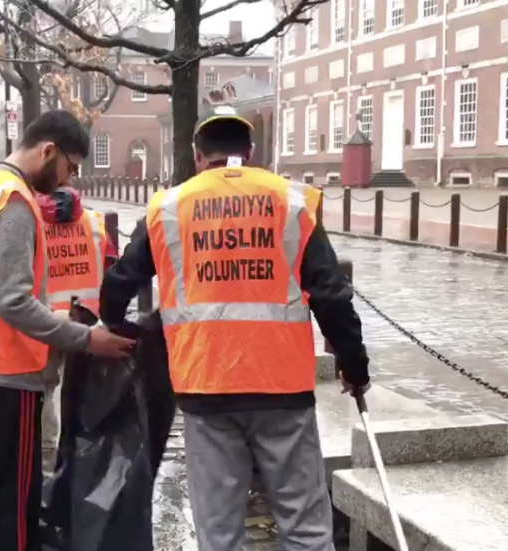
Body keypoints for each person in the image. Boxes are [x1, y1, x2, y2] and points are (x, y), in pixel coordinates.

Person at [98, 105, 372, 551]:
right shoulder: (291, 201)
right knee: (304, 527)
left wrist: (110, 327)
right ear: (249, 152)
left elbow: (120, 280)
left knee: (220, 534)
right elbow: (331, 294)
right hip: (283, 388)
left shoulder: (170, 207)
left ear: (196, 155)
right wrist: (354, 366)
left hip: (206, 388)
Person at [0, 109, 136, 551]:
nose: (67, 181)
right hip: (0, 375)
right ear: (48, 151)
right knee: (11, 506)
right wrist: (84, 338)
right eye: (70, 167)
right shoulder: (15, 203)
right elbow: (12, 299)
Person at [36, 185, 118, 449]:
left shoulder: (32, 222)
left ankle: (47, 460)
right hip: (86, 318)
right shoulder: (95, 223)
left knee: (45, 391)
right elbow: (112, 269)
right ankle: (78, 455)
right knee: (81, 393)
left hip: (42, 319)